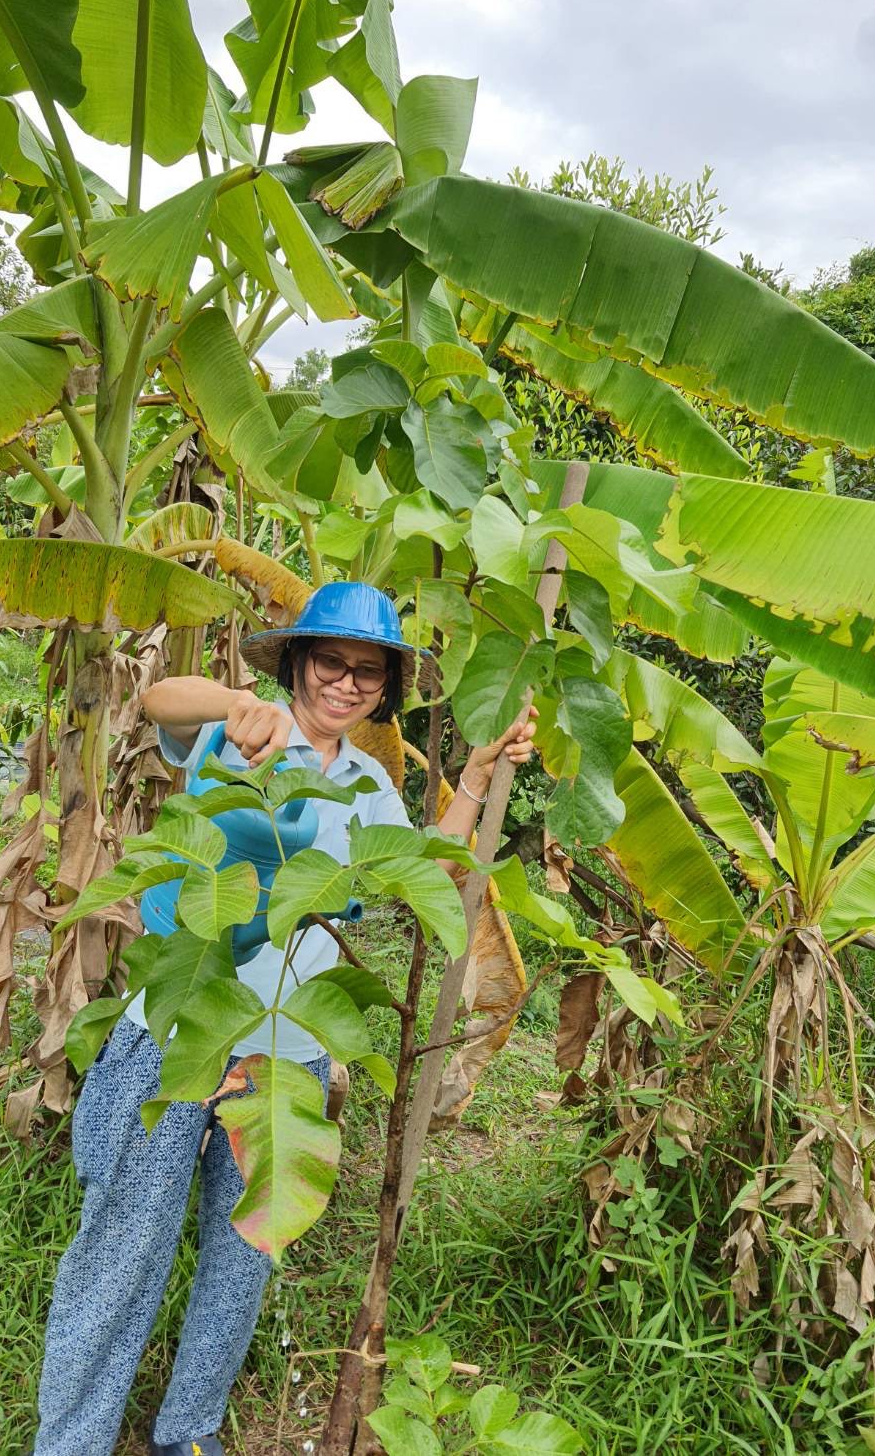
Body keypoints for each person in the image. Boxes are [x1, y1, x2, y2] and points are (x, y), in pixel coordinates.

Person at [33, 582, 537, 1456]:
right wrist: (236, 704)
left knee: (242, 1261)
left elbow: (422, 871)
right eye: (331, 661)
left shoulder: (369, 782)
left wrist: (482, 774)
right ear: (298, 662)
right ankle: (69, 1441)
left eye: (368, 673)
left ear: (384, 689)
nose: (345, 684)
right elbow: (159, 700)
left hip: (290, 1049)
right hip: (183, 1030)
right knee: (125, 1245)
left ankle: (186, 1431)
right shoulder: (243, 729)